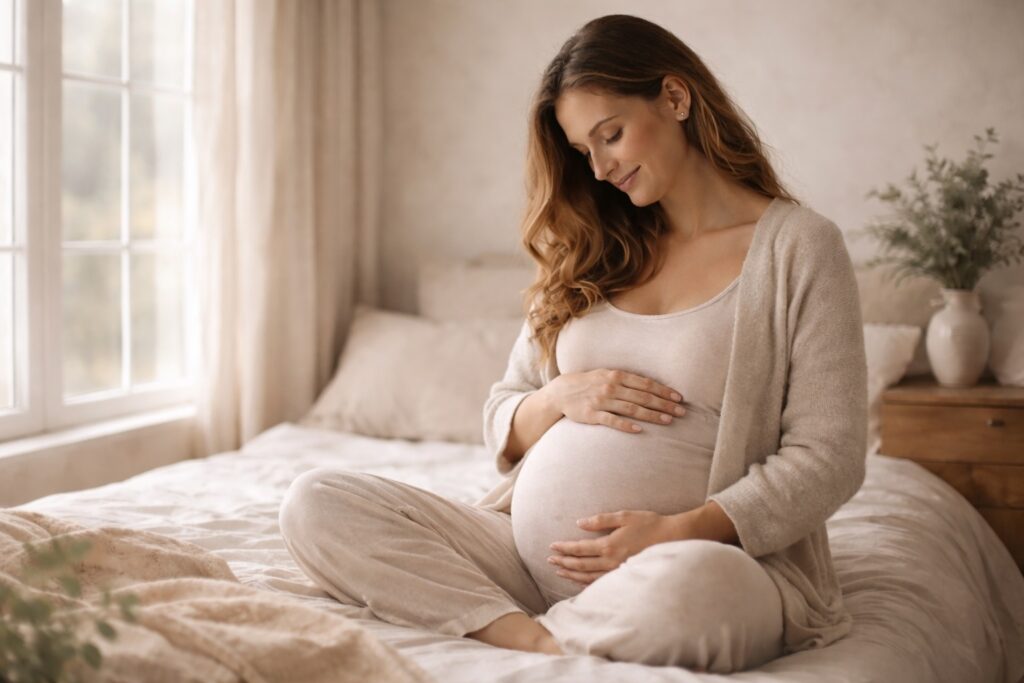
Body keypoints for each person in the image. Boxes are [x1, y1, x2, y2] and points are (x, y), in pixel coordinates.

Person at [278, 13, 867, 674]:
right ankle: (532, 638)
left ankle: (540, 627)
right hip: (523, 565)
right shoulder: (587, 248)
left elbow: (831, 456)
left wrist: (679, 530)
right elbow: (504, 409)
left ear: (675, 98)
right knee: (316, 501)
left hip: (692, 561)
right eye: (585, 150)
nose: (601, 166)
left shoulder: (798, 249)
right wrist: (559, 395)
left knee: (705, 590)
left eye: (610, 135)